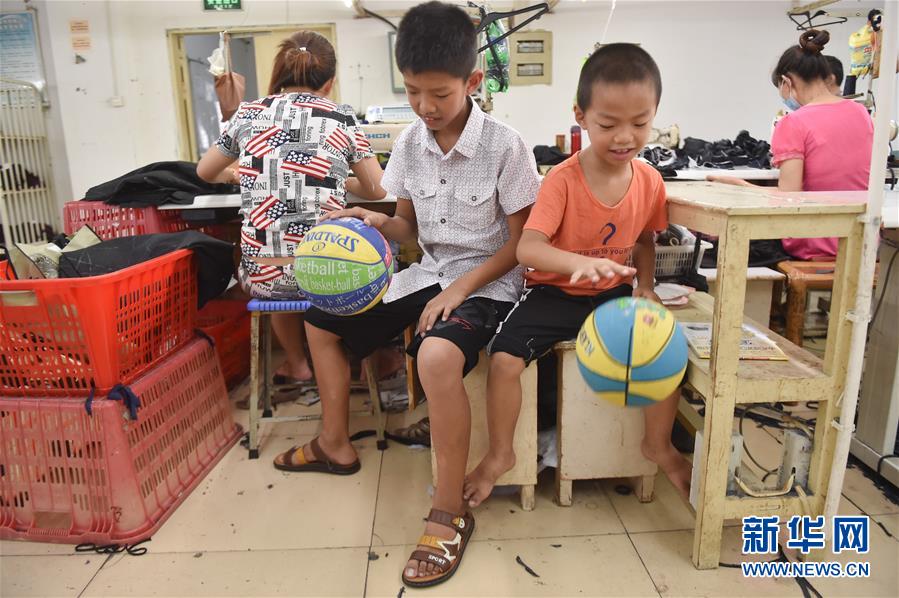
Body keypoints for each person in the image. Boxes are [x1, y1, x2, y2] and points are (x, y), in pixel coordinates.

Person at [272, 2, 541, 588]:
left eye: (439, 94)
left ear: (473, 81)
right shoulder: (410, 143)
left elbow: (522, 246)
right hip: (430, 275)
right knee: (321, 320)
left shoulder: (506, 146)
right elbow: (408, 230)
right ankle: (334, 442)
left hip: (490, 284)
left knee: (436, 356)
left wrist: (461, 288)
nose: (425, 106)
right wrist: (370, 221)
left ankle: (449, 510)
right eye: (413, 91)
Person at [463, 43, 693, 510]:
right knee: (504, 360)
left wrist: (646, 287)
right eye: (608, 125)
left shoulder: (650, 180)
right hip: (555, 293)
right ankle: (501, 454)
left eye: (640, 123)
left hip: (613, 296)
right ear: (581, 116)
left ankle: (659, 445)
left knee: (666, 351)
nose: (624, 137)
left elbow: (645, 240)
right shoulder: (563, 179)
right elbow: (528, 248)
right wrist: (576, 264)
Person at [197, 31, 385, 388]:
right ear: (329, 82)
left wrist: (237, 175)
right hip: (330, 277)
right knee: (368, 258)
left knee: (278, 259)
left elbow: (205, 172)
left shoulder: (249, 112)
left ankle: (298, 364)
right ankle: (362, 360)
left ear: (281, 73)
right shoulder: (342, 117)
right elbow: (377, 190)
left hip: (262, 278)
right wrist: (339, 180)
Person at [709, 30, 873, 260]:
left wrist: (739, 186)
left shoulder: (793, 122)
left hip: (813, 243)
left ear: (786, 82)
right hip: (861, 242)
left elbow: (788, 198)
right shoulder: (861, 113)